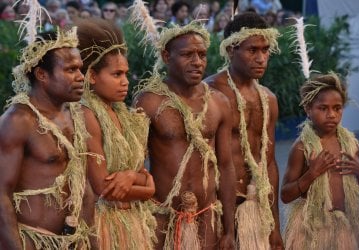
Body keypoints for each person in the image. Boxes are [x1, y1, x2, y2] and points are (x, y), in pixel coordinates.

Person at [134, 22, 236, 249]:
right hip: (162, 216)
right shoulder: (149, 101)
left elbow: (227, 166)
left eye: (202, 54)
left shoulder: (219, 102)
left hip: (207, 215)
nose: (197, 62)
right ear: (166, 56)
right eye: (187, 55)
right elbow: (135, 166)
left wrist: (229, 229)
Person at [0, 27, 91, 249]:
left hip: (72, 240)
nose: (81, 77)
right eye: (70, 69)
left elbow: (84, 187)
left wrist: (91, 240)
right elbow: (1, 195)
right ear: (42, 74)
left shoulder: (74, 115)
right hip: (31, 240)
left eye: (80, 68)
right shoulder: (18, 120)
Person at [205, 12, 283, 249]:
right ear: (230, 50)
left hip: (255, 206)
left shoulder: (269, 99)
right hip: (215, 206)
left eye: (265, 50)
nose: (261, 58)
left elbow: (268, 163)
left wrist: (275, 226)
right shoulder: (209, 93)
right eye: (252, 50)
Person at [76, 18, 156, 249]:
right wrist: (148, 189)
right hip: (101, 225)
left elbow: (139, 170)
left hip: (132, 222)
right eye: (116, 74)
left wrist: (132, 177)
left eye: (126, 74)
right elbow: (104, 188)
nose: (125, 82)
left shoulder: (124, 113)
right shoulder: (86, 112)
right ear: (92, 76)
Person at [281, 72, 359, 250]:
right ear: (308, 109)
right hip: (310, 229)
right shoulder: (301, 148)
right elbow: (285, 195)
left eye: (337, 108)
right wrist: (312, 173)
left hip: (344, 227)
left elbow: (354, 189)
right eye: (323, 108)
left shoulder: (352, 145)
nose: (331, 114)